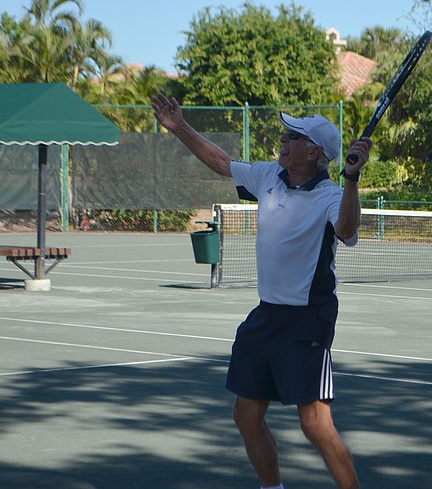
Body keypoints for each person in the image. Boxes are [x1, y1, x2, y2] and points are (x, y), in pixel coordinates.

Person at [151, 93, 371, 489]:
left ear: (314, 152)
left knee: (315, 423)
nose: (284, 141)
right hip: (266, 315)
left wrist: (352, 179)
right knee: (246, 414)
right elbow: (221, 162)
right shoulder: (269, 176)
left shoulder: (330, 197)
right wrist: (179, 127)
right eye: (286, 135)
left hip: (308, 319)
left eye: (293, 137)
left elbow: (348, 229)